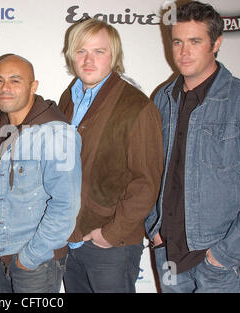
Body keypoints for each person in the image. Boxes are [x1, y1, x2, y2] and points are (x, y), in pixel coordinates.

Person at [145, 1, 240, 293]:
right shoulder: (162, 99)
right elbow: (152, 170)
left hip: (220, 264)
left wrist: (223, 255)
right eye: (177, 41)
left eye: (195, 41)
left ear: (216, 43)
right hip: (169, 256)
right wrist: (156, 230)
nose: (184, 52)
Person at [59, 19, 164, 293]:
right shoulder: (68, 99)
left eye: (99, 51)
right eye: (81, 51)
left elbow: (147, 183)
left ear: (114, 55)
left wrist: (110, 234)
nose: (88, 60)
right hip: (70, 238)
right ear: (71, 55)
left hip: (110, 244)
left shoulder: (137, 106)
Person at [0, 54, 81, 293]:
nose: (5, 88)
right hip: (2, 253)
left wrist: (29, 257)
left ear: (33, 86)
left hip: (36, 262)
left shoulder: (56, 133)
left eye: (15, 80)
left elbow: (65, 206)